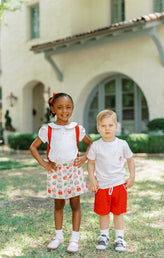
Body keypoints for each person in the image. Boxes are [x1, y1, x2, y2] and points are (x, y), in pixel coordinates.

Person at [30, 92, 92, 253]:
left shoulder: (77, 128)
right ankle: (58, 236)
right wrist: (44, 163)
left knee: (75, 204)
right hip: (56, 171)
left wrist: (84, 158)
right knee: (58, 205)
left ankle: (74, 239)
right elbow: (33, 147)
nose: (65, 111)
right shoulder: (48, 129)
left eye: (68, 107)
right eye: (60, 107)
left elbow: (91, 144)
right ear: (53, 109)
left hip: (73, 170)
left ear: (73, 108)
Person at [87, 110, 135, 252]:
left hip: (119, 184)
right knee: (103, 213)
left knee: (118, 213)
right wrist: (92, 179)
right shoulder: (96, 146)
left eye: (110, 125)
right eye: (103, 126)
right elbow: (90, 163)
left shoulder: (122, 144)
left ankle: (119, 238)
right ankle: (104, 236)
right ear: (98, 128)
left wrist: (132, 176)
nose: (107, 128)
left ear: (116, 126)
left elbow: (130, 160)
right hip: (102, 186)